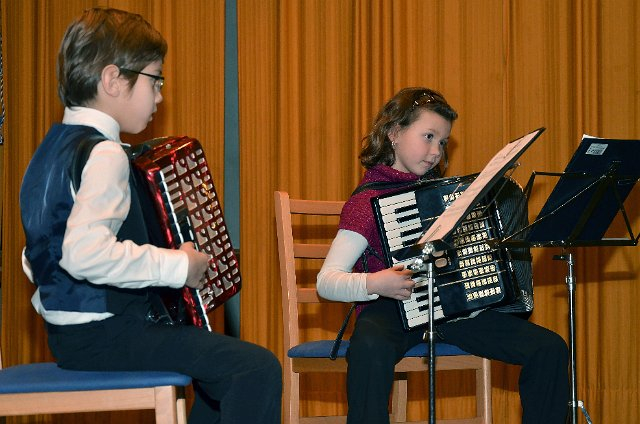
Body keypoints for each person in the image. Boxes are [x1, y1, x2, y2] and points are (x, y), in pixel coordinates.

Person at [19, 8, 281, 424]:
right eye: (154, 78)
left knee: (218, 373)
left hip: (70, 338)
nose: (160, 94)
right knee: (255, 368)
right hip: (108, 334)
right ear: (112, 80)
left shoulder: (49, 151)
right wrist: (178, 265)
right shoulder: (104, 153)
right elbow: (83, 254)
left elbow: (36, 254)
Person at [317, 87, 569, 424]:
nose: (436, 151)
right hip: (389, 308)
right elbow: (327, 281)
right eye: (428, 136)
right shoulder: (365, 204)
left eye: (442, 141)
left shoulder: (447, 198)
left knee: (548, 348)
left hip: (450, 309)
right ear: (394, 133)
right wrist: (377, 282)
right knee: (369, 349)